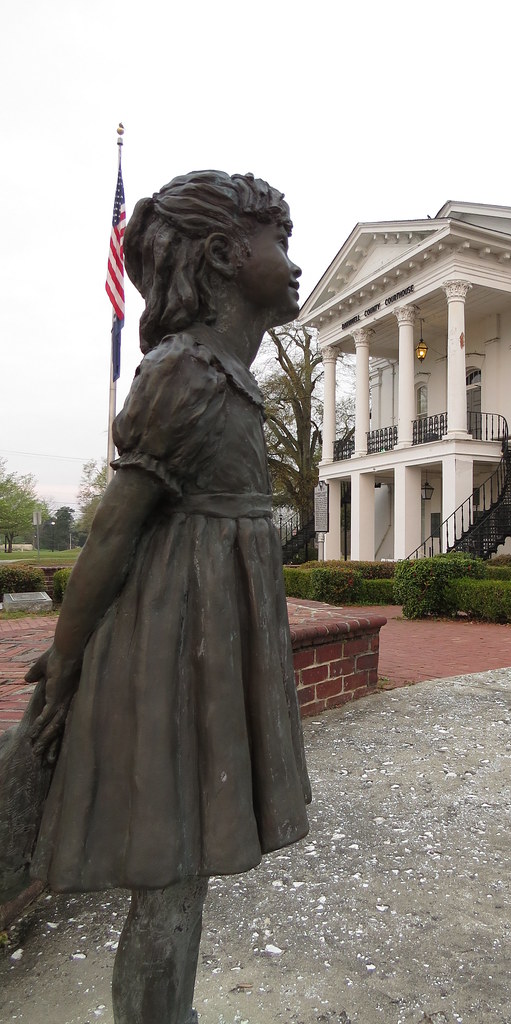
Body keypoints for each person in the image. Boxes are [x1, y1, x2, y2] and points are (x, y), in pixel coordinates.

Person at [25, 170, 312, 1024]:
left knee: (186, 869)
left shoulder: (232, 376)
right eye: (281, 245)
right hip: (170, 643)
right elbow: (114, 530)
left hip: (214, 640)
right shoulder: (183, 372)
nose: (295, 266)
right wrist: (67, 657)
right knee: (170, 864)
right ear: (227, 255)